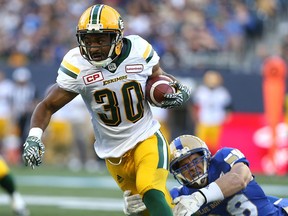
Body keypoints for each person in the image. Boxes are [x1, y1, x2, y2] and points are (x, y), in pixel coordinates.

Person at [21, 4, 191, 216]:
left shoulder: (139, 50)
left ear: (117, 38)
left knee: (151, 190)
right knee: (145, 208)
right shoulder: (77, 65)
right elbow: (47, 105)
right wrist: (34, 137)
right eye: (88, 40)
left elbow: (159, 75)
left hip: (146, 136)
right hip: (113, 153)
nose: (93, 47)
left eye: (101, 39)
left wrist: (176, 88)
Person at [123, 135, 288, 215]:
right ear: (176, 173)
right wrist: (143, 209)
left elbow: (240, 178)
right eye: (185, 166)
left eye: (195, 161)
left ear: (207, 157)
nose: (192, 168)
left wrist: (200, 197)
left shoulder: (223, 158)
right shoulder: (179, 195)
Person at [191, 70, 232, 154]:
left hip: (217, 121)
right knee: (200, 144)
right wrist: (195, 116)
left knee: (215, 145)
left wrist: (227, 116)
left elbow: (229, 106)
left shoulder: (222, 92)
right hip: (203, 120)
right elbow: (194, 105)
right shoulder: (201, 91)